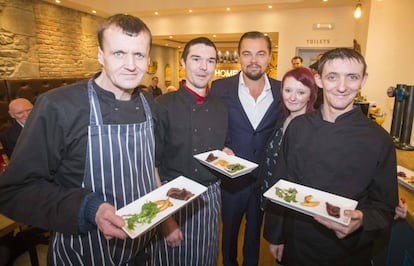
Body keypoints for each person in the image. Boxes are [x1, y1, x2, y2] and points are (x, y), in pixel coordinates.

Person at [0, 14, 159, 265]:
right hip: (83, 251)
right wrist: (89, 208)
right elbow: (14, 191)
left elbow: (148, 168)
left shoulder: (148, 102)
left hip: (143, 248)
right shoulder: (58, 105)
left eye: (139, 55)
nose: (131, 64)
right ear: (100, 55)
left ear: (148, 59)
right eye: (119, 53)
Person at [263, 48, 398, 265]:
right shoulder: (298, 127)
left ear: (363, 80)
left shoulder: (379, 140)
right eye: (332, 77)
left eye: (352, 77)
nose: (342, 87)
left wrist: (362, 219)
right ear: (319, 79)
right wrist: (275, 235)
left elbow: (384, 207)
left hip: (347, 251)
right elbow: (282, 183)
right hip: (296, 242)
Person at [153, 37, 228, 265]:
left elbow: (220, 148)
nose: (204, 67)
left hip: (210, 197)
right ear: (183, 62)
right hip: (170, 196)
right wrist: (165, 219)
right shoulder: (162, 105)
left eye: (210, 61)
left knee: (206, 258)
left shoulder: (221, 106)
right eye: (196, 59)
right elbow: (152, 165)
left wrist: (226, 154)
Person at [210, 31, 283, 266]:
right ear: (239, 56)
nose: (254, 60)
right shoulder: (220, 88)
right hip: (232, 182)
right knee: (228, 234)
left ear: (270, 56)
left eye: (260, 53)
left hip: (264, 180)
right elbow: (211, 127)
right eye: (247, 53)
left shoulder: (283, 91)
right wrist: (220, 146)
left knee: (255, 235)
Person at [259, 67, 317, 204]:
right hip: (270, 193)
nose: (292, 97)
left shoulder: (313, 128)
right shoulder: (281, 119)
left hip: (292, 202)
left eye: (301, 92)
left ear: (311, 95)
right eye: (288, 90)